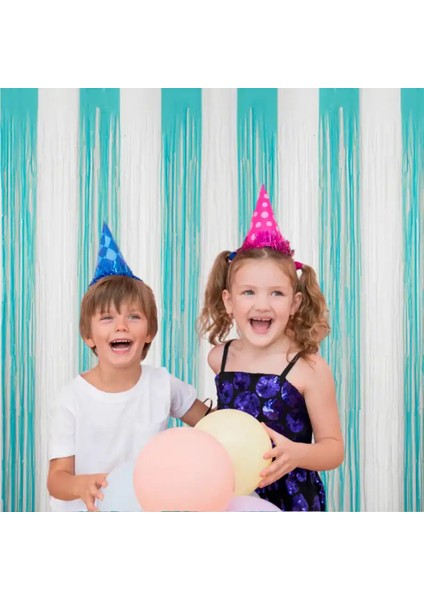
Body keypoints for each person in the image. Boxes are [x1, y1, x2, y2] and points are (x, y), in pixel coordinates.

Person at [198, 186, 344, 511]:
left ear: (295, 303)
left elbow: (334, 449)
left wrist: (297, 453)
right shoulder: (220, 358)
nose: (262, 304)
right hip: (233, 494)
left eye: (276, 293)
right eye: (249, 292)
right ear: (229, 302)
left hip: (291, 498)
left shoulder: (308, 367)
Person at [47, 223, 210, 511]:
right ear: (88, 336)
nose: (121, 325)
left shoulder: (162, 384)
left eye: (134, 316)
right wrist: (79, 485)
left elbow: (211, 423)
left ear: (149, 332)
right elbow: (56, 479)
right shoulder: (71, 399)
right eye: (107, 318)